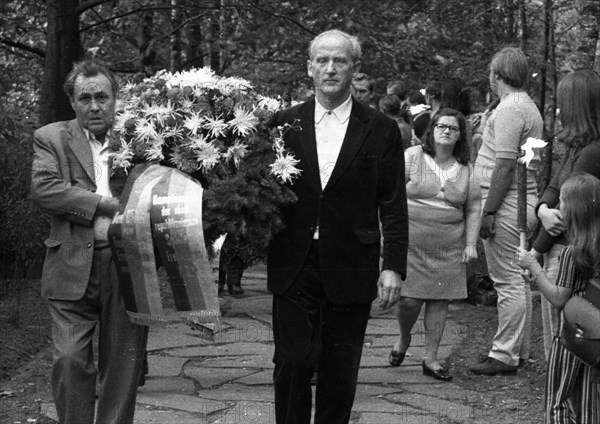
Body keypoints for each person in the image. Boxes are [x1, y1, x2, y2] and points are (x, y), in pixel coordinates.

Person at [268, 29, 408, 424]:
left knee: (339, 371)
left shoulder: (380, 129)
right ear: (309, 68)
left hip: (352, 263)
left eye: (340, 61)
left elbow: (393, 205)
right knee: (293, 363)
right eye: (322, 61)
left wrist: (393, 265)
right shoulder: (282, 125)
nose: (330, 69)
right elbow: (260, 194)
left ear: (355, 69)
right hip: (294, 261)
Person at [30, 59, 147, 424]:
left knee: (123, 367)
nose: (94, 106)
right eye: (85, 98)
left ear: (116, 99)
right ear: (73, 102)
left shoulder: (142, 138)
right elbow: (46, 190)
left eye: (102, 96)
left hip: (128, 266)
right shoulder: (51, 137)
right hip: (70, 266)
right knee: (69, 360)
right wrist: (105, 204)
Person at [390, 108, 480, 381]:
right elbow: (391, 195)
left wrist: (470, 243)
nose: (446, 131)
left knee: (439, 302)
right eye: (441, 126)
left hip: (448, 245)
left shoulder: (466, 169)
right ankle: (404, 338)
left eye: (453, 128)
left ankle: (431, 357)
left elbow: (474, 207)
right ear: (432, 129)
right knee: (408, 301)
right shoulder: (412, 157)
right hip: (411, 243)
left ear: (459, 136)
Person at [470, 47, 543, 375]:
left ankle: (503, 354)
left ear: (497, 74)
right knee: (517, 279)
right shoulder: (527, 106)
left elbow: (504, 167)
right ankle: (518, 352)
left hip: (508, 203)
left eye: (491, 71)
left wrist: (488, 212)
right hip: (520, 201)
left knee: (507, 280)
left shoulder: (511, 109)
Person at [517, 173, 600, 424]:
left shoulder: (572, 253)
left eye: (561, 200)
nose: (557, 206)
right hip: (594, 340)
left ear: (572, 210)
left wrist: (533, 265)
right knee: (588, 403)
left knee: (558, 402)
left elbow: (558, 298)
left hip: (570, 338)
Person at [531, 69, 600, 361]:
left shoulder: (592, 154)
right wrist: (542, 208)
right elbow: (554, 185)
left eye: (563, 103)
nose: (558, 110)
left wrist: (535, 250)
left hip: (567, 252)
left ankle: (559, 404)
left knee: (563, 345)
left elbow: (565, 213)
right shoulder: (578, 147)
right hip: (557, 248)